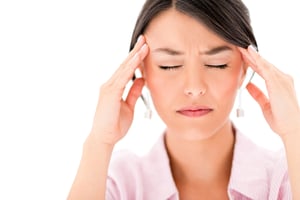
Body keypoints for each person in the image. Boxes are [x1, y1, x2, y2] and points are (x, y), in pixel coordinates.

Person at [67, 0, 300, 199]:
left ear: (245, 67)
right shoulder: (120, 183)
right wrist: (99, 142)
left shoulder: (283, 175)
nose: (194, 88)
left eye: (217, 64)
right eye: (169, 66)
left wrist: (294, 132)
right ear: (141, 71)